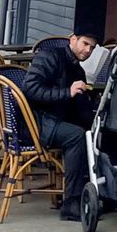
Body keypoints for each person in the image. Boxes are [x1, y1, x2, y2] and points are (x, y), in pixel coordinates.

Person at [22, 30, 98, 221]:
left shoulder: (78, 70)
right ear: (73, 39)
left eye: (92, 47)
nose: (88, 50)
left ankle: (93, 194)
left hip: (57, 120)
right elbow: (30, 89)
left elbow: (78, 107)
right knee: (77, 136)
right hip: (38, 123)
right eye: (85, 44)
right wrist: (67, 92)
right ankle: (71, 203)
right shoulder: (49, 57)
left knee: (93, 134)